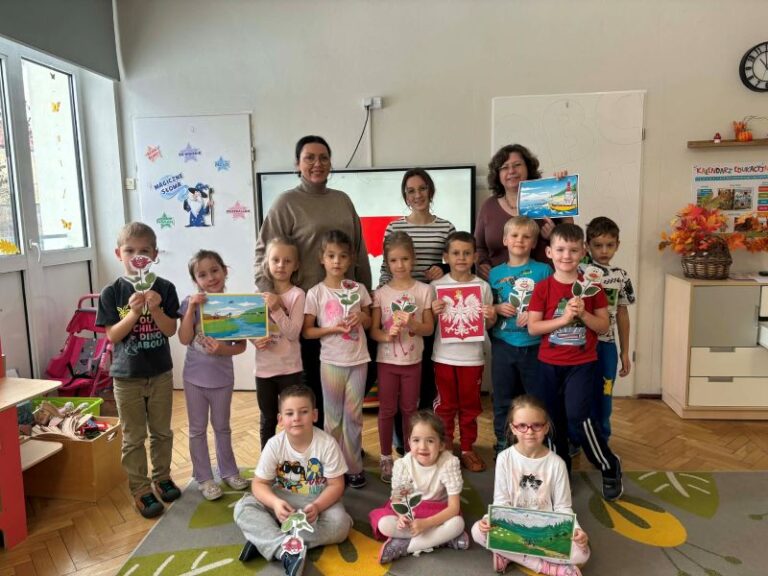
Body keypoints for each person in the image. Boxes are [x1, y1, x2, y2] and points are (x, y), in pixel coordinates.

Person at [254, 135, 372, 428]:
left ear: (330, 163)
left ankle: (345, 446)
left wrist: (368, 298)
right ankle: (317, 444)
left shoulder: (342, 200)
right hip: (305, 310)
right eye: (309, 158)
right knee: (313, 389)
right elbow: (263, 253)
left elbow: (359, 251)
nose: (317, 163)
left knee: (350, 387)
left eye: (323, 157)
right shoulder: (286, 203)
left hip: (346, 311)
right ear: (298, 164)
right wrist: (270, 295)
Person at [526, 223, 623, 501]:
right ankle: (561, 472)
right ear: (549, 252)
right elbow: (533, 328)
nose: (566, 256)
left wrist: (583, 315)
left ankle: (608, 465)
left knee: (580, 419)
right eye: (560, 250)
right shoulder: (543, 288)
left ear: (582, 252)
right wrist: (564, 319)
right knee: (553, 422)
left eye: (572, 250)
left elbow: (603, 326)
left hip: (582, 364)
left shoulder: (592, 288)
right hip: (548, 365)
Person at [95, 222, 181, 519]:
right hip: (126, 376)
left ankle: (162, 477)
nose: (137, 256)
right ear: (118, 254)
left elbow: (170, 330)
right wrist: (134, 313)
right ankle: (141, 489)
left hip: (160, 373)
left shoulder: (165, 288)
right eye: (130, 251)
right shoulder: (112, 292)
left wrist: (155, 309)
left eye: (144, 251)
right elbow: (112, 335)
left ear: (154, 255)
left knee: (162, 431)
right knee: (133, 436)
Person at [234, 385, 352, 576]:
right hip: (282, 502)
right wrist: (275, 503)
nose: (296, 418)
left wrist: (318, 506)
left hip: (317, 504)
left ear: (314, 415)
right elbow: (259, 483)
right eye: (289, 413)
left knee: (341, 525)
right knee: (242, 508)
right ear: (280, 419)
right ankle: (283, 547)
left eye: (303, 412)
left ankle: (266, 540)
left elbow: (336, 485)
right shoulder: (274, 445)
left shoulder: (327, 444)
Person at [379, 169, 456, 456]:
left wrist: (442, 269)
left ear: (430, 190)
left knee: (423, 380)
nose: (417, 195)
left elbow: (455, 261)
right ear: (405, 195)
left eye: (422, 188)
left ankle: (422, 440)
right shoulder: (394, 227)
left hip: (430, 307)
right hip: (397, 308)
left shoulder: (445, 227)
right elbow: (385, 269)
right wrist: (380, 301)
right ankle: (401, 441)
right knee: (396, 382)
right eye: (411, 190)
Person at [471, 395, 590, 576]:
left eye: (536, 425)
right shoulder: (504, 459)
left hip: (545, 530)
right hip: (513, 525)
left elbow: (563, 507)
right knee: (477, 531)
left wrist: (577, 530)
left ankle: (508, 553)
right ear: (513, 428)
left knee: (582, 553)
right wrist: (489, 521)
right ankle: (547, 567)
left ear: (546, 427)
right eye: (522, 426)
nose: (529, 432)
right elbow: (501, 503)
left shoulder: (557, 464)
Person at [177, 249, 249, 501]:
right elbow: (184, 338)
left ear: (225, 271)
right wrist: (191, 308)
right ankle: (204, 478)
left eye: (215, 270)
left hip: (222, 379)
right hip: (194, 378)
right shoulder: (189, 303)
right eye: (202, 274)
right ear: (195, 280)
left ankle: (229, 471)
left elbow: (241, 346)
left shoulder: (234, 306)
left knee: (222, 427)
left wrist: (221, 350)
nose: (210, 278)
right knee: (197, 429)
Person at [303, 229, 372, 488]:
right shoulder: (316, 293)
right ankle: (332, 468)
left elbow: (369, 321)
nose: (336, 261)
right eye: (331, 255)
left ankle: (353, 467)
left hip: (358, 361)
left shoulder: (358, 289)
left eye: (342, 256)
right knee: (332, 420)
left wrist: (361, 317)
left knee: (354, 417)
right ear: (321, 258)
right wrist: (332, 329)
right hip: (331, 362)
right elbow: (307, 331)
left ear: (351, 259)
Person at [370, 232, 434, 482]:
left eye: (405, 259)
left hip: (413, 362)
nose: (400, 265)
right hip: (387, 362)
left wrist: (413, 324)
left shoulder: (424, 290)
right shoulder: (381, 294)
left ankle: (410, 456)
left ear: (413, 259)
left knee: (410, 409)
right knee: (387, 410)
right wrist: (388, 336)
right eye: (394, 260)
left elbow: (428, 329)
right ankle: (386, 457)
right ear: (387, 262)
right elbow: (374, 331)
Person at [431, 231, 496, 473]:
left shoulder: (483, 287)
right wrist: (432, 311)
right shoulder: (436, 287)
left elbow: (486, 325)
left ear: (475, 257)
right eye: (456, 253)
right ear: (446, 257)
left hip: (472, 359)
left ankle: (468, 448)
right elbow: (430, 325)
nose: (461, 257)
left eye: (467, 253)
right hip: (443, 357)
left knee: (470, 407)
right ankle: (446, 448)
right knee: (445, 406)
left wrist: (491, 316)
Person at [369, 410, 469, 563]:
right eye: (416, 440)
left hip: (438, 513)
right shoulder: (403, 465)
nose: (422, 447)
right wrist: (401, 517)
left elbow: (454, 508)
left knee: (457, 524)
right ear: (409, 442)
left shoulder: (449, 463)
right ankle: (442, 539)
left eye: (430, 441)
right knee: (384, 524)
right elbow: (397, 501)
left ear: (441, 445)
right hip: (412, 512)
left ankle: (405, 546)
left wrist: (426, 524)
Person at [489, 216, 552, 456]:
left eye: (526, 237)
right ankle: (503, 441)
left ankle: (537, 441)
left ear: (534, 242)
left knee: (536, 398)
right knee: (502, 398)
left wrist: (535, 315)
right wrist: (496, 308)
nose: (520, 240)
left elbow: (552, 304)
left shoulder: (543, 270)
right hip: (503, 344)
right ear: (505, 240)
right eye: (514, 235)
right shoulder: (494, 273)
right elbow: (488, 306)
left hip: (534, 346)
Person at [475, 144, 571, 279]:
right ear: (498, 174)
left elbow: (572, 238)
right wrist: (482, 263)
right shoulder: (488, 206)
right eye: (505, 167)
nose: (511, 171)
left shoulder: (547, 196)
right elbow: (479, 246)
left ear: (528, 168)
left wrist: (563, 186)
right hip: (499, 284)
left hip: (544, 282)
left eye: (517, 165)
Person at [583, 217, 636, 438]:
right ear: (587, 246)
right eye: (597, 245)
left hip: (607, 346)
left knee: (605, 393)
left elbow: (623, 314)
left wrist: (625, 351)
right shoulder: (579, 271)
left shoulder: (620, 276)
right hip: (581, 345)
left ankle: (601, 438)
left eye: (610, 245)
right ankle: (576, 438)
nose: (604, 251)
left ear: (617, 245)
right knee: (580, 393)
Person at [254, 237, 305, 449]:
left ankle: (293, 459)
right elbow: (251, 328)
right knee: (267, 419)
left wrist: (276, 308)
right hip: (264, 370)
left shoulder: (297, 295)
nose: (281, 265)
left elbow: (293, 333)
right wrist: (254, 340)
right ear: (267, 262)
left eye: (287, 261)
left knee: (293, 419)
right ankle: (267, 461)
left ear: (296, 265)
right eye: (275, 260)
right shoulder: (258, 295)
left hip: (290, 370)